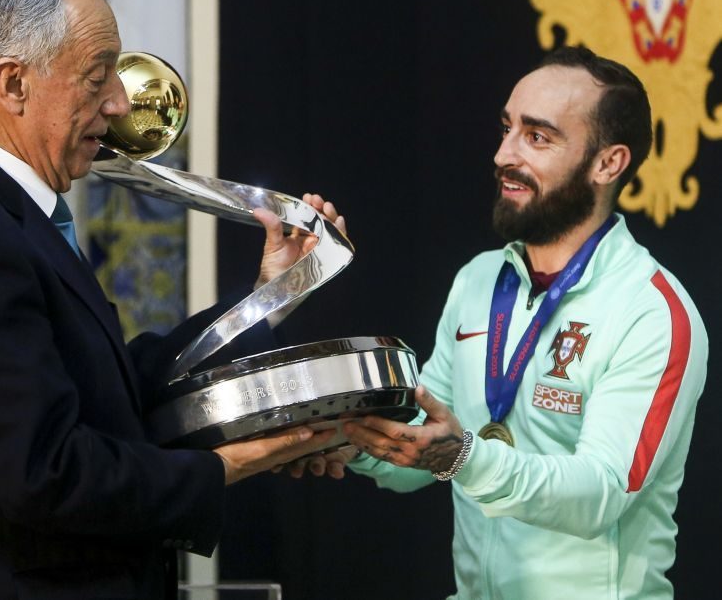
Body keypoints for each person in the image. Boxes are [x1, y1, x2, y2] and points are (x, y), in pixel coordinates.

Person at [0, 0, 343, 600]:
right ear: (14, 83)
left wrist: (270, 295)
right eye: (98, 79)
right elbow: (46, 473)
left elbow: (110, 388)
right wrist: (229, 466)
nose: (120, 105)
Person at [299, 46, 707, 599]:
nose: (503, 154)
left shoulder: (651, 310)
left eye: (537, 137)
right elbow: (426, 446)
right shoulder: (480, 279)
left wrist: (465, 456)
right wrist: (347, 441)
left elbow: (603, 495)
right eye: (507, 128)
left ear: (608, 163)